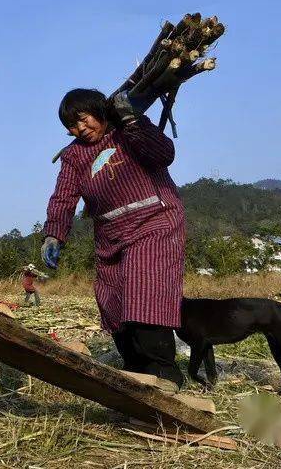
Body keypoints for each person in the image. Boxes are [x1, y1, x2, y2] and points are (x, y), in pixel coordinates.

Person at [40, 88, 186, 388]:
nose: (80, 129)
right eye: (71, 126)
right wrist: (54, 234)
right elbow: (63, 197)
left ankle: (165, 376)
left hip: (153, 224)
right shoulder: (74, 155)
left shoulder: (127, 129)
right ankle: (134, 377)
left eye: (83, 119)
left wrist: (132, 120)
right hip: (110, 236)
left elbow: (163, 154)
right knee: (114, 302)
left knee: (144, 296)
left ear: (99, 111)